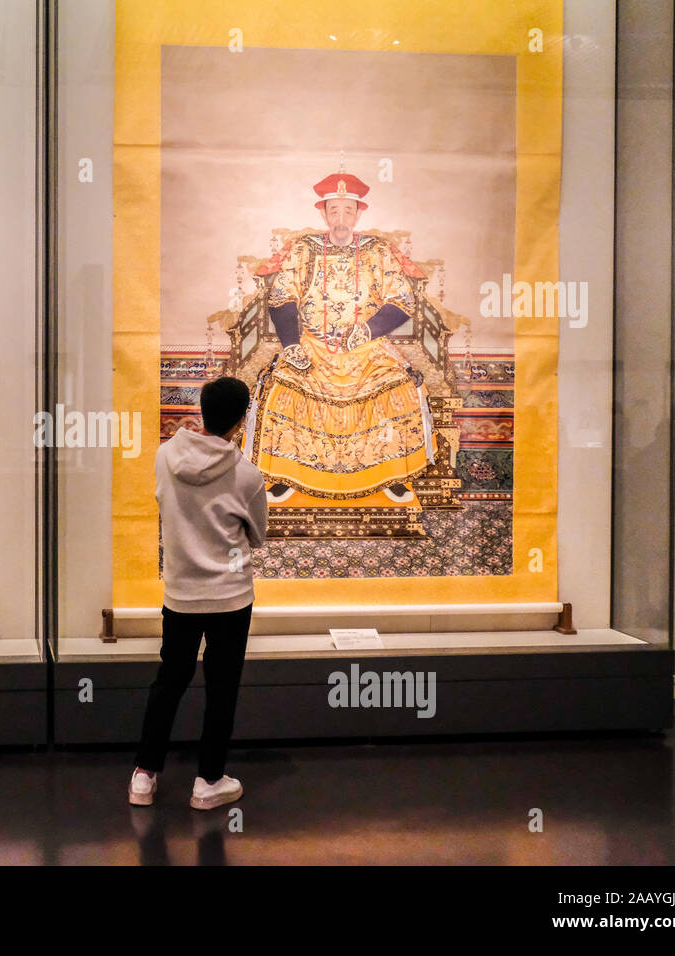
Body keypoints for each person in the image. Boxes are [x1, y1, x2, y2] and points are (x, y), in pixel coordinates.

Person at [245, 169, 434, 505]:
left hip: (366, 347)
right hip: (313, 345)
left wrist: (368, 329)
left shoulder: (378, 250)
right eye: (335, 211)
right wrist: (291, 344)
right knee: (286, 383)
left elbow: (404, 299)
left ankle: (390, 473)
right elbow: (281, 295)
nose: (341, 219)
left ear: (359, 213)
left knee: (394, 385)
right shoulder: (305, 249)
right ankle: (288, 473)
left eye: (349, 211)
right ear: (323, 213)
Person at [129, 376, 269, 810]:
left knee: (168, 681)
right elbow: (258, 535)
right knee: (221, 687)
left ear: (202, 409)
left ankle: (144, 776)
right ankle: (208, 782)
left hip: (181, 594)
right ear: (242, 417)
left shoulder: (165, 455)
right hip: (230, 597)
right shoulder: (246, 475)